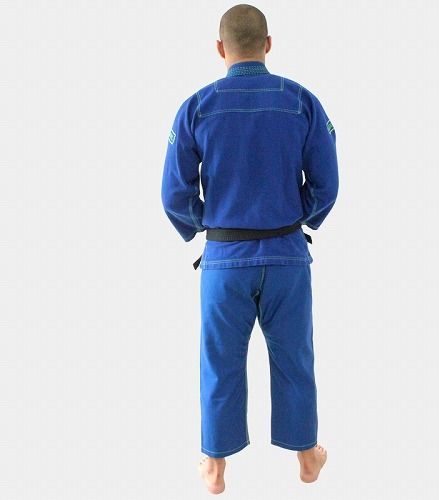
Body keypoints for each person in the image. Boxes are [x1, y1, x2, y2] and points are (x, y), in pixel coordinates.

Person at [161, 4, 339, 494]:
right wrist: (298, 215)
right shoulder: (301, 101)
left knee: (219, 363)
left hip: (225, 260)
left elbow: (174, 195)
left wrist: (207, 223)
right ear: (269, 44)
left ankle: (215, 466)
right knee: (294, 358)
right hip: (287, 256)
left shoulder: (197, 107)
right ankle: (307, 457)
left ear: (220, 49)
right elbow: (327, 184)